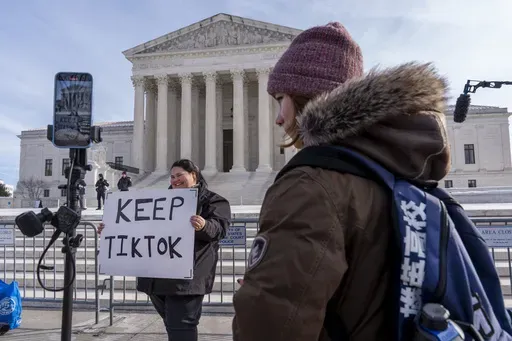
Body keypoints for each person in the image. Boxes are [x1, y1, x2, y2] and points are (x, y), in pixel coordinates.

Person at [232, 22, 450, 341]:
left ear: (307, 95)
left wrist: (263, 289)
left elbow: (275, 320)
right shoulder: (393, 171)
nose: (278, 117)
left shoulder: (312, 184)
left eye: (281, 98)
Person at [98, 159, 231, 341]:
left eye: (180, 175)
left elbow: (219, 229)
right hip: (156, 279)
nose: (175, 180)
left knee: (181, 327)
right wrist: (111, 229)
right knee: (173, 325)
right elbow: (138, 228)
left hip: (185, 281)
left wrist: (204, 226)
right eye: (172, 176)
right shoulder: (156, 202)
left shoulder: (213, 201)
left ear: (194, 175)